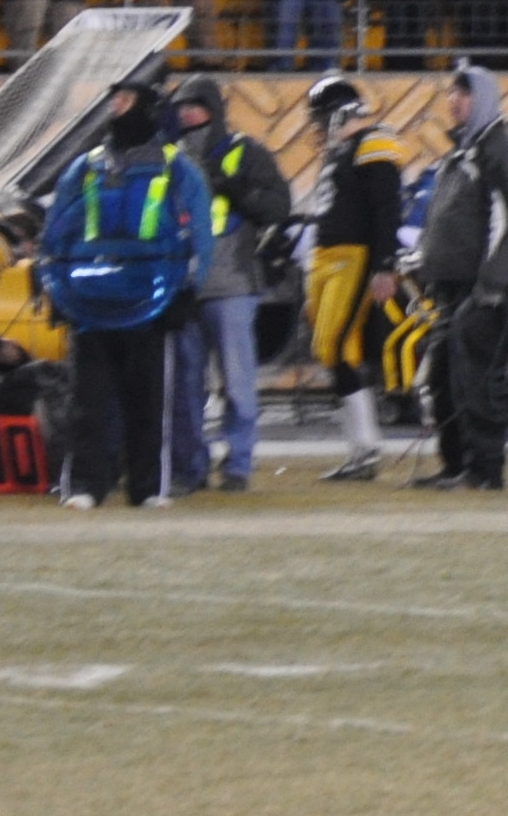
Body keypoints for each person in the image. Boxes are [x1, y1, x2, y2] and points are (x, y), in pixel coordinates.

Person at [38, 84, 216, 511]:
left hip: (152, 299)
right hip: (92, 298)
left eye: (125, 100)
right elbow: (58, 229)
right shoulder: (86, 167)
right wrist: (56, 289)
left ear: (149, 110)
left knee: (150, 401)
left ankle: (148, 487)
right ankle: (85, 485)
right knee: (88, 400)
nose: (115, 108)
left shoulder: (177, 167)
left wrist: (186, 292)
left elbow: (199, 235)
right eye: (113, 101)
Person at [416, 64, 508, 493]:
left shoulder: (501, 149)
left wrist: (492, 284)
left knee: (478, 379)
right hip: (454, 287)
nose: (454, 101)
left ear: (483, 98)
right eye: (451, 93)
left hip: (483, 290)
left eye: (464, 93)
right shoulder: (463, 151)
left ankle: (485, 470)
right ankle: (455, 464)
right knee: (444, 377)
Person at [160, 77, 290, 495]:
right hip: (186, 287)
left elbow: (278, 207)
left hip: (232, 283)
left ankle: (237, 464)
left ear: (213, 109)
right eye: (181, 106)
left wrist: (237, 192)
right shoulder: (170, 156)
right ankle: (190, 466)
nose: (185, 113)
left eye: (194, 104)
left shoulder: (245, 152)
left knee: (236, 383)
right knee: (186, 387)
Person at [300, 77, 415, 483]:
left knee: (333, 346)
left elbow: (386, 210)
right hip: (326, 259)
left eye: (321, 117)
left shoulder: (373, 143)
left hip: (353, 257)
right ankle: (359, 450)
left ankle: (366, 447)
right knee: (334, 349)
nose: (317, 126)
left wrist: (384, 264)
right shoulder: (341, 151)